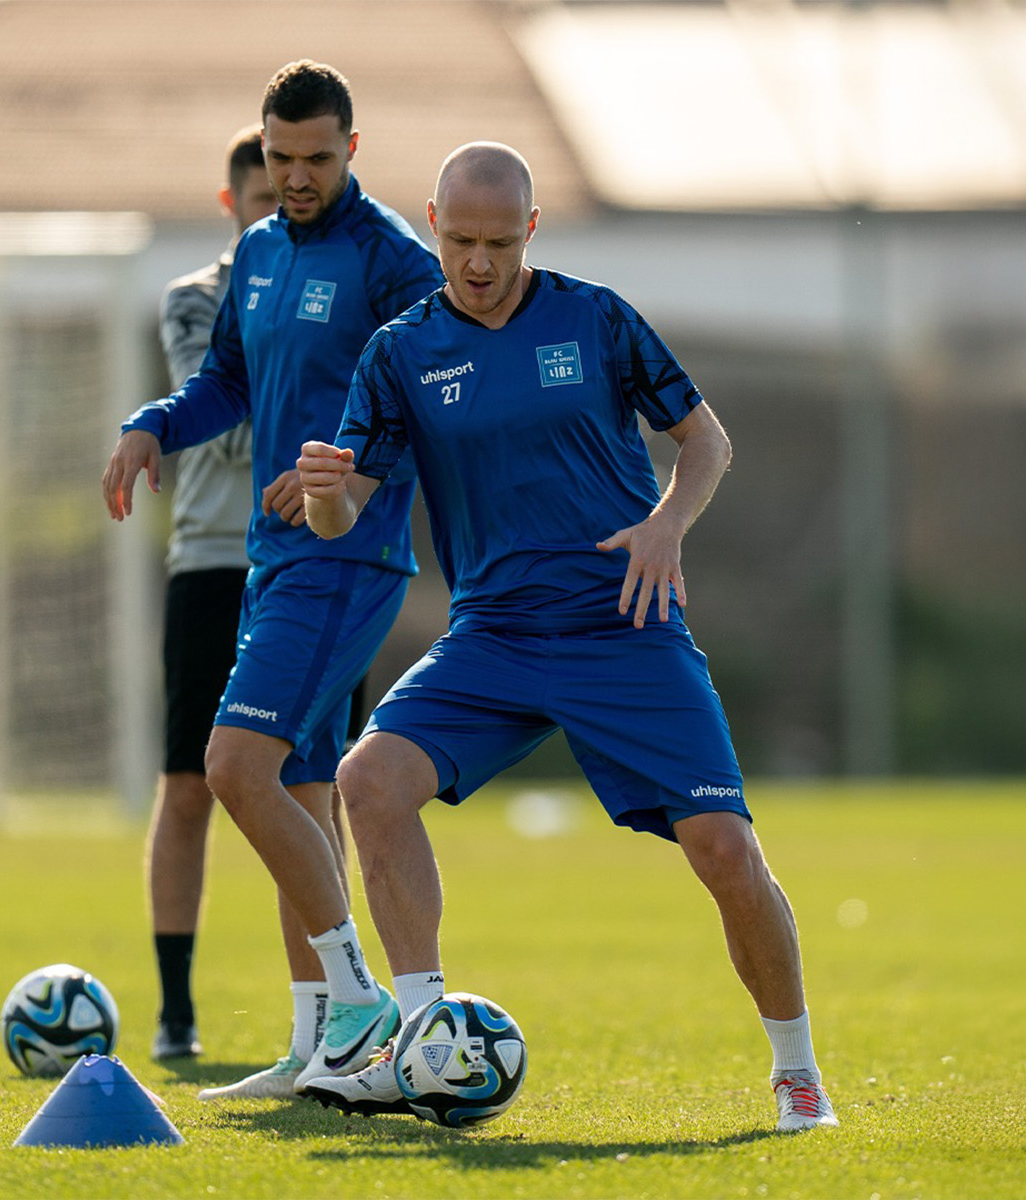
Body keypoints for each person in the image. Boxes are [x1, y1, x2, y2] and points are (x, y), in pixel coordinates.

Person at [295, 142, 840, 1133]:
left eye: (501, 242)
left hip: (624, 624)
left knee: (725, 850)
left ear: (532, 230)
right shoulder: (400, 353)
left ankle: (797, 1073)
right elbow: (345, 514)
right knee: (367, 781)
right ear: (434, 225)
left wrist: (668, 525)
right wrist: (326, 495)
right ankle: (422, 1042)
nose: (479, 262)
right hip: (494, 635)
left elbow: (706, 440)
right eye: (461, 240)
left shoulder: (597, 319)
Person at [101, 60, 444, 1100]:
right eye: (282, 157)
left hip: (348, 558)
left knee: (233, 767)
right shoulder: (256, 253)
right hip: (270, 555)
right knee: (296, 787)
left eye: (317, 159)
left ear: (352, 150)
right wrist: (154, 425)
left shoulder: (393, 260)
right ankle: (313, 1049)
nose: (297, 177)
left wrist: (348, 464)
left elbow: (433, 397)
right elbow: (228, 384)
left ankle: (357, 995)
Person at [145, 124, 274, 1062]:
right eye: (263, 201)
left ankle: (336, 1010)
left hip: (315, 565)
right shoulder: (194, 299)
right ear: (233, 206)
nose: (281, 217)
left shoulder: (351, 289)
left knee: (316, 787)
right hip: (213, 562)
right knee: (190, 784)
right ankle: (176, 1009)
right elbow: (219, 429)